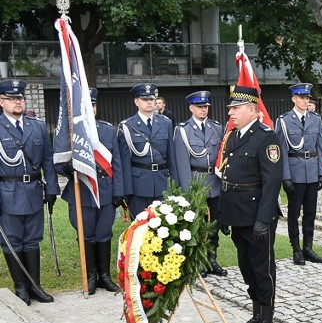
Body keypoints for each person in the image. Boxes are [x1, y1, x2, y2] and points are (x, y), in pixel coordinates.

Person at [219, 85, 283, 323]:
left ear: (252, 111)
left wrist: (264, 219)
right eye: (231, 109)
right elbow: (228, 177)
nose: (231, 113)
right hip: (237, 214)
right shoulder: (233, 136)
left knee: (263, 269)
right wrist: (223, 215)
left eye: (236, 108)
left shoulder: (266, 138)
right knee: (247, 269)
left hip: (257, 214)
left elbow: (272, 182)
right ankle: (256, 316)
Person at [55, 87, 124, 295]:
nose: (90, 110)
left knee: (104, 233)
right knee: (86, 235)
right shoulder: (69, 133)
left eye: (92, 106)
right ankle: (91, 276)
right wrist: (68, 167)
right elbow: (57, 163)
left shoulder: (107, 130)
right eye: (85, 107)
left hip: (105, 191)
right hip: (82, 190)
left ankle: (105, 276)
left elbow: (117, 163)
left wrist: (118, 191)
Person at [0, 79, 58, 304]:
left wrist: (52, 189)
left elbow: (47, 160)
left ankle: (35, 286)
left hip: (33, 190)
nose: (18, 102)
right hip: (7, 191)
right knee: (12, 241)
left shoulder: (38, 126)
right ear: (1, 101)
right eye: (13, 98)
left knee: (32, 240)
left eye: (20, 98)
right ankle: (21, 288)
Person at [173, 90, 228, 278]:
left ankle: (213, 260)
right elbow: (182, 163)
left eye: (205, 107)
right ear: (191, 108)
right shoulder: (183, 130)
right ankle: (200, 262)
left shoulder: (217, 128)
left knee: (214, 224)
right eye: (200, 107)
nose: (204, 110)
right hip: (196, 181)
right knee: (198, 225)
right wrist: (188, 191)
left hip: (215, 181)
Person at [276, 83, 322, 265]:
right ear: (294, 99)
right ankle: (296, 249)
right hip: (295, 172)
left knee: (310, 213)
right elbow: (280, 151)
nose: (305, 101)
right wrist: (286, 177)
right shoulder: (284, 121)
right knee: (294, 213)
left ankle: (308, 248)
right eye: (302, 98)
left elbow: (321, 147)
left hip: (312, 172)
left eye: (307, 98)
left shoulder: (316, 119)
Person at [117, 83, 177, 217]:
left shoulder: (165, 123)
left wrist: (175, 184)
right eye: (144, 99)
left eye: (151, 99)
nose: (149, 102)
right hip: (139, 185)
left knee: (164, 229)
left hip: (162, 184)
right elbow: (124, 162)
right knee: (140, 229)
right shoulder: (127, 126)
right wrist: (126, 191)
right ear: (136, 101)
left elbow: (171, 156)